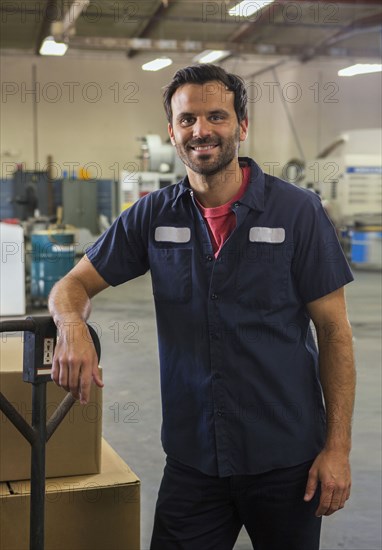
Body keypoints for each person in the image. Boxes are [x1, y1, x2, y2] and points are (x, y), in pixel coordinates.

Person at [49, 64, 356, 550]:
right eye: (187, 119)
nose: (201, 131)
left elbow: (335, 334)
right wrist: (71, 327)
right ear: (171, 132)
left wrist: (337, 448)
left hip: (286, 459)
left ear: (242, 126)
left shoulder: (297, 212)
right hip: (195, 460)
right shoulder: (154, 214)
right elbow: (72, 284)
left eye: (216, 116)